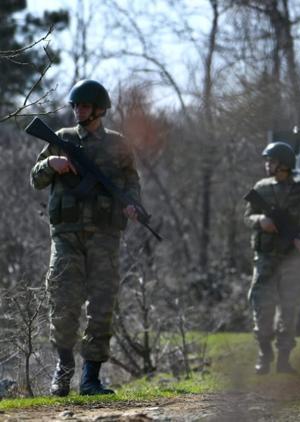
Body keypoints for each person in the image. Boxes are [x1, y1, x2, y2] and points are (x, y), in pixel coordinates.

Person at [30, 79, 142, 396]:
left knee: (102, 305)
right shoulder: (61, 139)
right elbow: (35, 179)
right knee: (63, 303)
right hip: (66, 236)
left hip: (106, 236)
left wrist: (134, 206)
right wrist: (51, 163)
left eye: (85, 106)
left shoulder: (119, 145)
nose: (78, 110)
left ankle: (91, 378)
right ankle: (63, 371)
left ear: (99, 110)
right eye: (75, 105)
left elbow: (132, 184)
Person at [244, 141, 300, 374]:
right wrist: (260, 221)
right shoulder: (261, 188)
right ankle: (264, 354)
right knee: (261, 308)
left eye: (272, 161)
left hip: (293, 259)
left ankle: (284, 358)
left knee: (290, 309)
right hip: (265, 258)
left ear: (284, 165)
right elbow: (247, 216)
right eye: (267, 161)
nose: (267, 164)